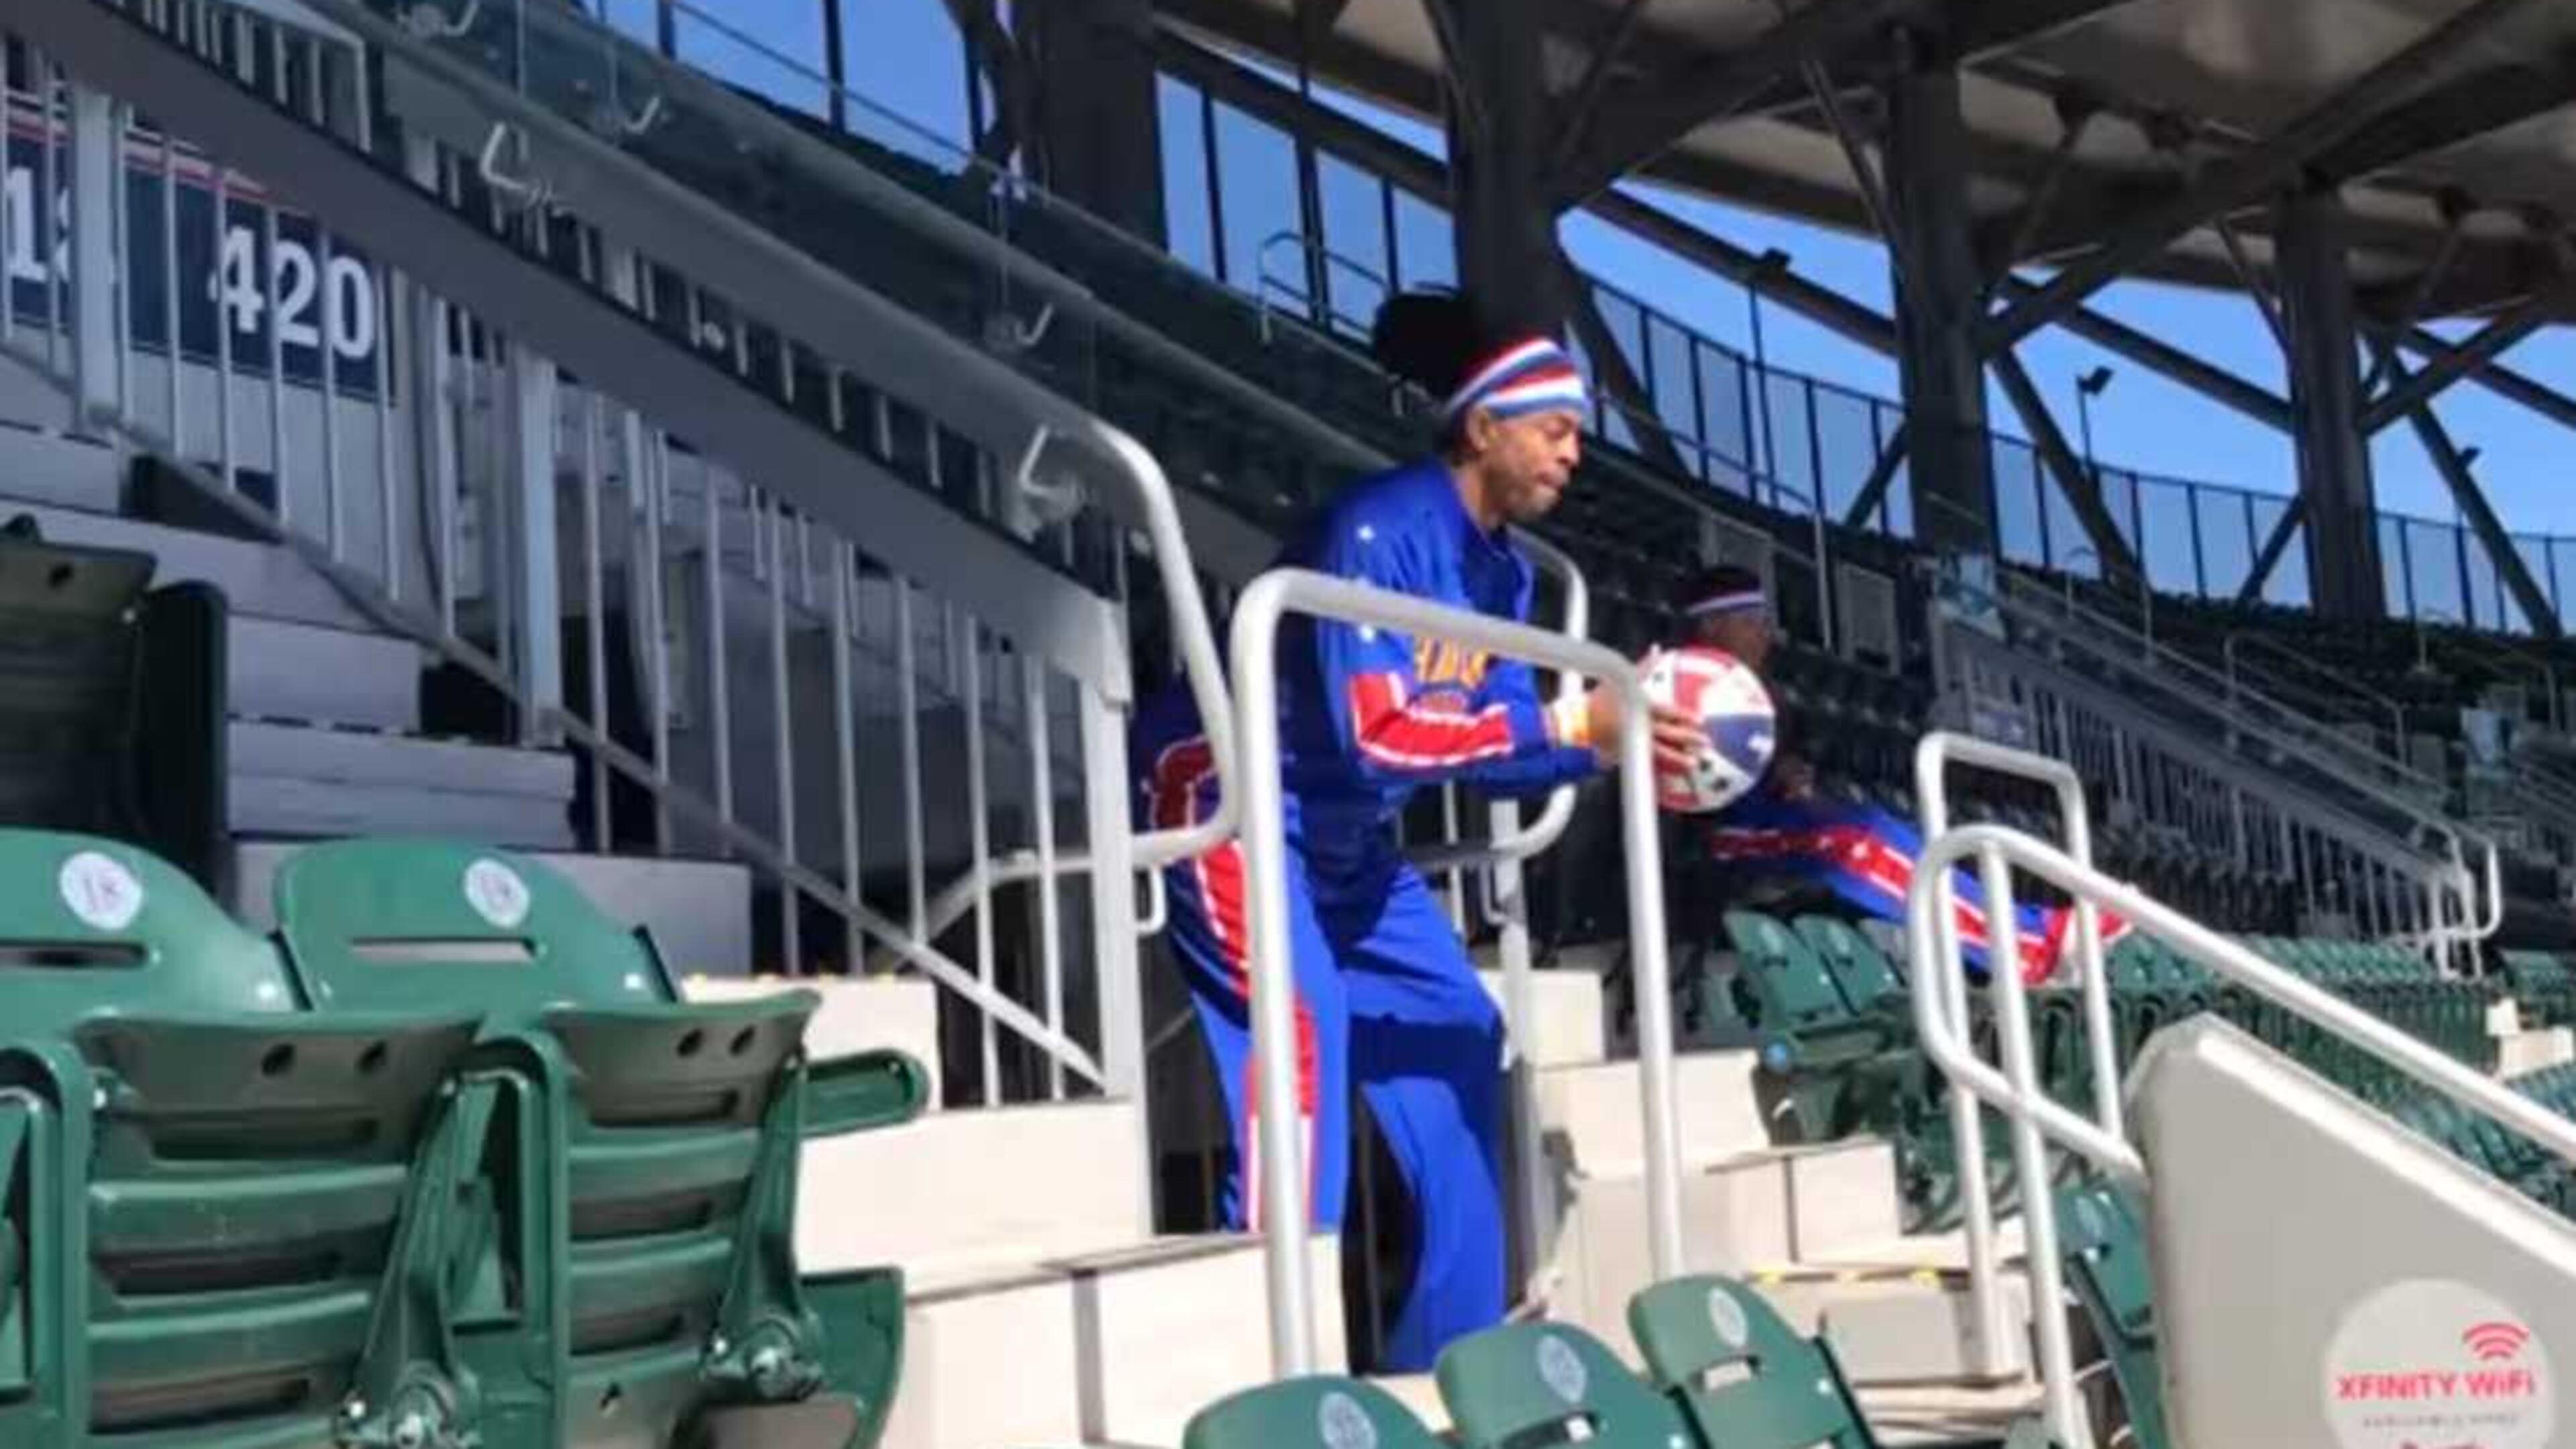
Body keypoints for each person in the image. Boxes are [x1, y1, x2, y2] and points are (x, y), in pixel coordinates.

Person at [1132, 292, 1700, 1371]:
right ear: (1483, 427)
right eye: (1557, 429)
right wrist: (1575, 714)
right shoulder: (1377, 528)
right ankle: (1273, 1373)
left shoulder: (1511, 575)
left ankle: (1453, 1362)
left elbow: (1489, 738)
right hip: (1227, 800)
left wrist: (1608, 743)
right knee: (1302, 1040)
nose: (1575, 454)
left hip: (1348, 839)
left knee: (1457, 1028)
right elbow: (1382, 731)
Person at [1676, 564, 2126, 981]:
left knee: (1892, 827)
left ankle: (2035, 928)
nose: (1765, 634)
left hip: (1765, 818)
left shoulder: (1756, 688)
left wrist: (1787, 775)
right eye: (1750, 621)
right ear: (1710, 626)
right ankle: (2031, 948)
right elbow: (1688, 779)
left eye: (1764, 620)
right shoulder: (1681, 685)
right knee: (1861, 843)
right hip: (1722, 836)